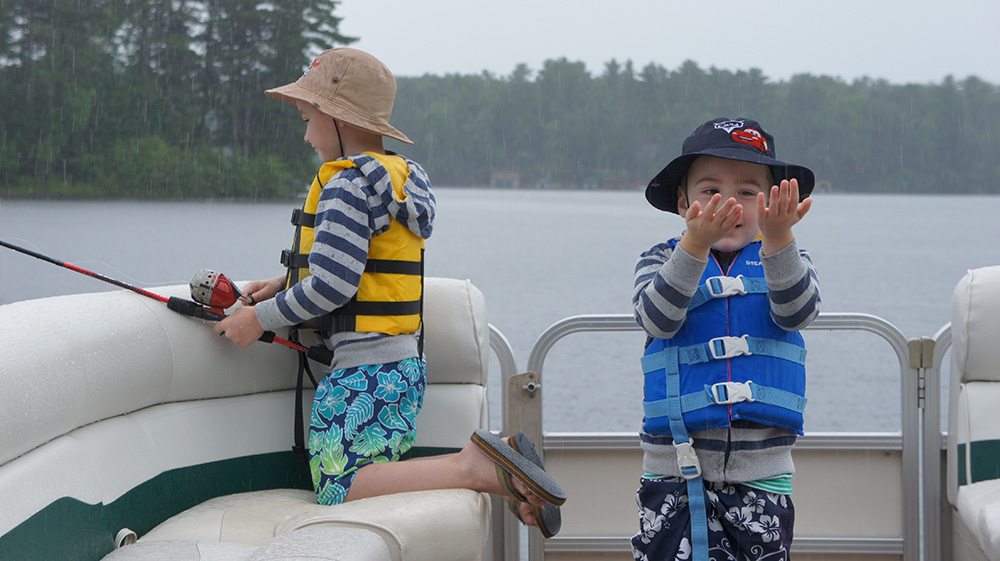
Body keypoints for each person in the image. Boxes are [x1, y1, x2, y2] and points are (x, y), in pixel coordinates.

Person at [213, 47, 564, 535]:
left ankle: (476, 468)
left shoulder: (342, 186)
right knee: (369, 476)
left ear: (337, 118)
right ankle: (509, 480)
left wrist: (259, 317)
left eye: (308, 117)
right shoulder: (399, 181)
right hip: (401, 367)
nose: (307, 132)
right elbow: (359, 266)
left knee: (340, 485)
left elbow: (334, 286)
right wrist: (284, 283)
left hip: (362, 373)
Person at [631, 117, 820, 560]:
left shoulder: (789, 257)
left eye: (749, 193)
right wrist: (694, 246)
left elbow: (799, 311)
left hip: (763, 477)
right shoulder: (660, 258)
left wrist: (779, 239)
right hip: (672, 472)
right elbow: (657, 320)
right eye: (711, 192)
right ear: (683, 202)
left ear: (774, 201)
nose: (729, 205)